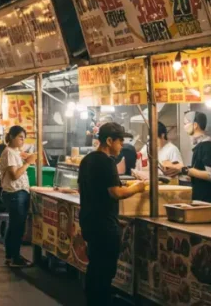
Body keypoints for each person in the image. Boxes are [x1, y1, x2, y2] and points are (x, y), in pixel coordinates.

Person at [79, 122, 147, 305]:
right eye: (119, 142)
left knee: (95, 267)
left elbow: (95, 188)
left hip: (89, 221)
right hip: (104, 225)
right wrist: (138, 187)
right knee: (104, 271)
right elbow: (115, 193)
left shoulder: (87, 160)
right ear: (109, 141)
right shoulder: (106, 162)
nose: (121, 146)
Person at [0, 126, 36, 267]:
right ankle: (15, 258)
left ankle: (10, 256)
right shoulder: (9, 152)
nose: (23, 140)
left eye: (24, 138)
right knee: (17, 227)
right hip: (15, 193)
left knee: (14, 226)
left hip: (18, 193)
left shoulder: (14, 152)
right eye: (20, 137)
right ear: (12, 137)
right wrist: (28, 163)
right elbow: (14, 175)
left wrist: (25, 158)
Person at [182, 112, 211, 204]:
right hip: (200, 200)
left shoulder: (207, 146)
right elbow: (199, 171)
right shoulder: (199, 146)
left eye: (186, 123)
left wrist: (186, 170)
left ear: (195, 125)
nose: (184, 127)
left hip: (208, 202)